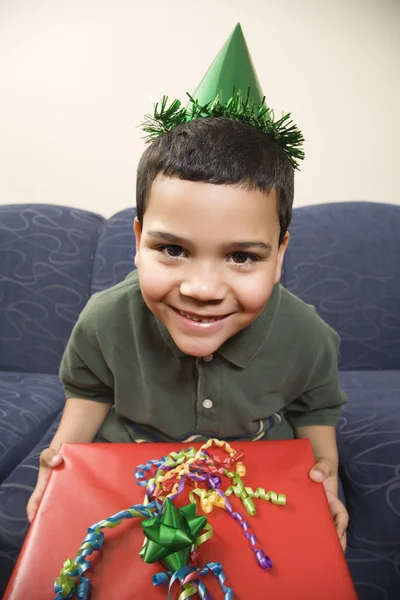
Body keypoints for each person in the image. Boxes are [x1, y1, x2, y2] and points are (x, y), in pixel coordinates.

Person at [26, 24, 349, 550]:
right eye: (172, 249)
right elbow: (89, 391)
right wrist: (59, 465)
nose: (201, 288)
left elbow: (315, 408)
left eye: (242, 256)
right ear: (138, 240)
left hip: (253, 476)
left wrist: (327, 473)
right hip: (129, 470)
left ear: (280, 255)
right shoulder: (105, 319)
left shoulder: (307, 334)